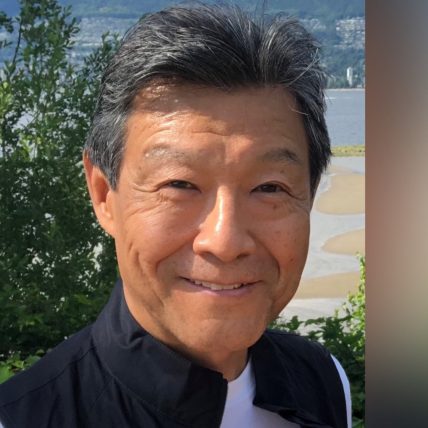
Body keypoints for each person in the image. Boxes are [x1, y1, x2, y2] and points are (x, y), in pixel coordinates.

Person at [0, 4, 352, 427]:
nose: (224, 241)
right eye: (179, 184)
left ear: (309, 194)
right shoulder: (24, 417)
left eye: (269, 187)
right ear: (104, 195)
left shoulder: (323, 382)